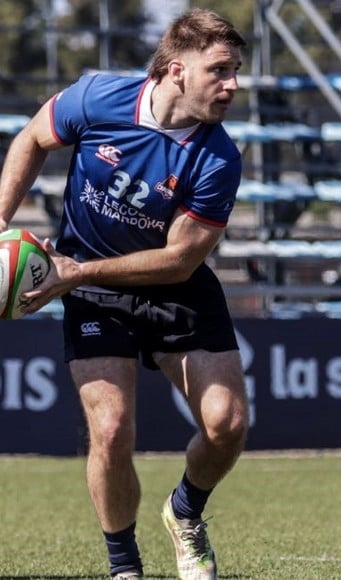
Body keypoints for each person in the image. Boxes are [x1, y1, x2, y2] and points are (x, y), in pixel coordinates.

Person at [0, 9, 249, 580]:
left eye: (235, 69)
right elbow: (33, 137)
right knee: (110, 430)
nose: (233, 84)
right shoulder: (98, 97)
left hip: (173, 289)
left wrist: (75, 275)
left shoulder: (218, 158)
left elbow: (179, 259)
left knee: (227, 423)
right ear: (176, 70)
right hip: (94, 294)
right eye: (220, 70)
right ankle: (124, 566)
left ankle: (185, 513)